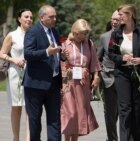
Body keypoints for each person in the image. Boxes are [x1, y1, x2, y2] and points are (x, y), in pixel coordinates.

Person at [108, 4, 140, 141]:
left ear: (130, 15)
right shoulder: (116, 33)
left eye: (122, 14)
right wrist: (121, 58)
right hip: (122, 74)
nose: (119, 17)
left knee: (138, 109)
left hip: (139, 74)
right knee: (125, 109)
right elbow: (111, 54)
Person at [23, 5, 68, 141]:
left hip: (53, 84)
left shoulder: (54, 31)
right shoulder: (33, 31)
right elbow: (28, 54)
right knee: (35, 123)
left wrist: (62, 55)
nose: (55, 18)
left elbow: (55, 53)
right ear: (42, 17)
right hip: (35, 85)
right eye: (51, 16)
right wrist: (47, 52)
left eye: (55, 16)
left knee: (55, 122)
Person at [60, 18, 100, 141]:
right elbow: (60, 61)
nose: (80, 36)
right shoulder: (65, 43)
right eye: (78, 33)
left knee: (79, 113)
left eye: (83, 33)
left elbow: (94, 62)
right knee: (70, 113)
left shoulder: (89, 44)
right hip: (68, 81)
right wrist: (62, 56)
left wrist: (96, 76)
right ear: (74, 31)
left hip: (84, 81)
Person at [0, 8, 32, 141]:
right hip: (15, 74)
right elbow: (1, 53)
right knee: (16, 107)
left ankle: (29, 139)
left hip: (32, 74)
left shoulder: (34, 34)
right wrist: (14, 60)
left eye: (31, 17)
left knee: (30, 108)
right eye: (26, 17)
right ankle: (16, 138)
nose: (29, 19)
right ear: (19, 19)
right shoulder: (12, 35)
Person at [98, 10, 120, 141]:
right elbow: (98, 58)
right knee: (110, 112)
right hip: (108, 78)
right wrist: (100, 73)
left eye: (117, 19)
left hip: (124, 78)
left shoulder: (130, 36)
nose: (114, 21)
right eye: (113, 19)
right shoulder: (104, 37)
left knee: (121, 111)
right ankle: (112, 138)